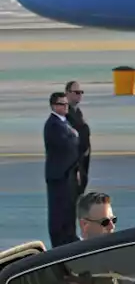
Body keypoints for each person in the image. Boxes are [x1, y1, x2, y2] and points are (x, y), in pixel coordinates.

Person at [44, 91, 80, 247]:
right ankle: (59, 242)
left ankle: (69, 237)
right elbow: (66, 144)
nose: (65, 107)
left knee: (69, 208)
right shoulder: (53, 124)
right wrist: (74, 135)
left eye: (66, 104)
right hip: (58, 175)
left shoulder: (65, 121)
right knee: (58, 211)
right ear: (53, 106)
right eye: (61, 104)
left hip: (68, 174)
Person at [65, 79, 91, 195]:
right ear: (67, 93)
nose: (79, 95)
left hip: (83, 159)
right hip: (75, 159)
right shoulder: (66, 114)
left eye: (81, 92)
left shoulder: (78, 112)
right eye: (76, 92)